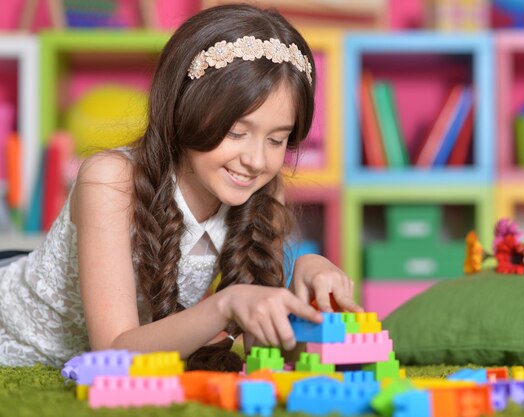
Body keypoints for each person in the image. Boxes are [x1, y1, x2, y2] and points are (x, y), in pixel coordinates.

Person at [0, 3, 361, 368]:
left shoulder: (262, 193)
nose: (256, 160)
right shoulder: (109, 180)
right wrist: (226, 304)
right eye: (236, 132)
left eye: (277, 140)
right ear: (183, 109)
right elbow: (111, 351)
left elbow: (270, 361)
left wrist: (305, 287)